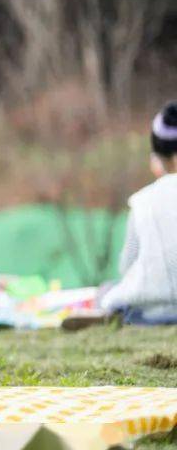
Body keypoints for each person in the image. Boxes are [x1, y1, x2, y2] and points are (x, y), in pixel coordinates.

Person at [98, 102, 177, 324]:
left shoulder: (145, 201)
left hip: (153, 312)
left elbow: (127, 265)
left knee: (107, 291)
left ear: (158, 157)